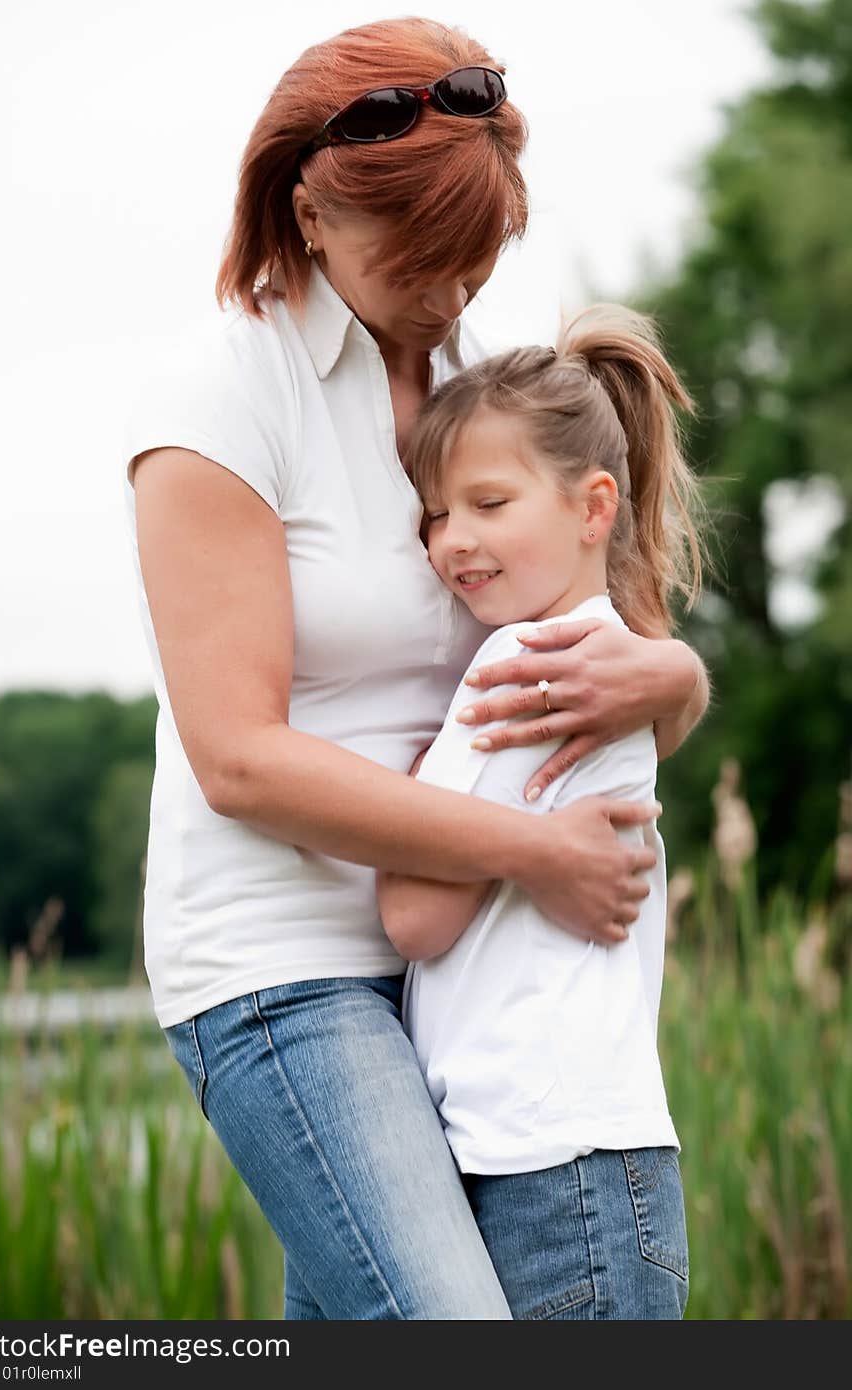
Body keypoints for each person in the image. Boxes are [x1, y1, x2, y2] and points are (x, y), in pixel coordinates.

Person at [122, 17, 709, 1320]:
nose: (450, 292)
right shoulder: (220, 393)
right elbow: (240, 759)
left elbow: (591, 653)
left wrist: (673, 681)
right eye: (419, 255)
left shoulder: (471, 389)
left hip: (458, 978)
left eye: (476, 256)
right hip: (285, 965)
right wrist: (534, 854)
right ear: (309, 210)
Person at [379, 306, 702, 1319]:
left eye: (487, 502)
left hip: (547, 1168)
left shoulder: (521, 666)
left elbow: (414, 918)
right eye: (434, 514)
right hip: (594, 1161)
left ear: (591, 506)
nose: (452, 540)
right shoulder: (614, 655)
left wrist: (405, 792)